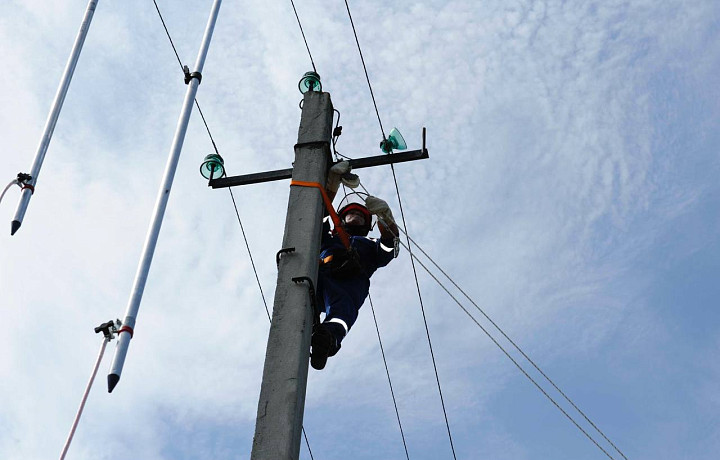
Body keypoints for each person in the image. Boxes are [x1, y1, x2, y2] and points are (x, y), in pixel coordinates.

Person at [310, 162, 399, 370]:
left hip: (348, 283)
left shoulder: (369, 246)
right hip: (319, 275)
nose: (356, 217)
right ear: (341, 219)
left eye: (361, 216)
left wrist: (386, 218)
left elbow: (389, 249)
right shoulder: (327, 238)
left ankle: (327, 338)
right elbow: (318, 213)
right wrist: (332, 183)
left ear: (368, 226)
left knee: (344, 310)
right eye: (352, 215)